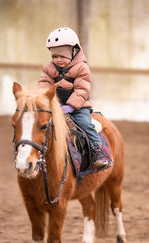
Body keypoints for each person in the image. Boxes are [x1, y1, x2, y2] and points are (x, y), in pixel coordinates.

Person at [38, 27, 112, 171]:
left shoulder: (81, 68)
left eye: (62, 56)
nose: (58, 60)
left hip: (78, 107)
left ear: (74, 52)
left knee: (85, 124)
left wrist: (71, 106)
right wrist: (46, 101)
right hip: (55, 106)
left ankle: (99, 152)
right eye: (54, 56)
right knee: (39, 125)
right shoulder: (48, 68)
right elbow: (43, 85)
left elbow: (82, 89)